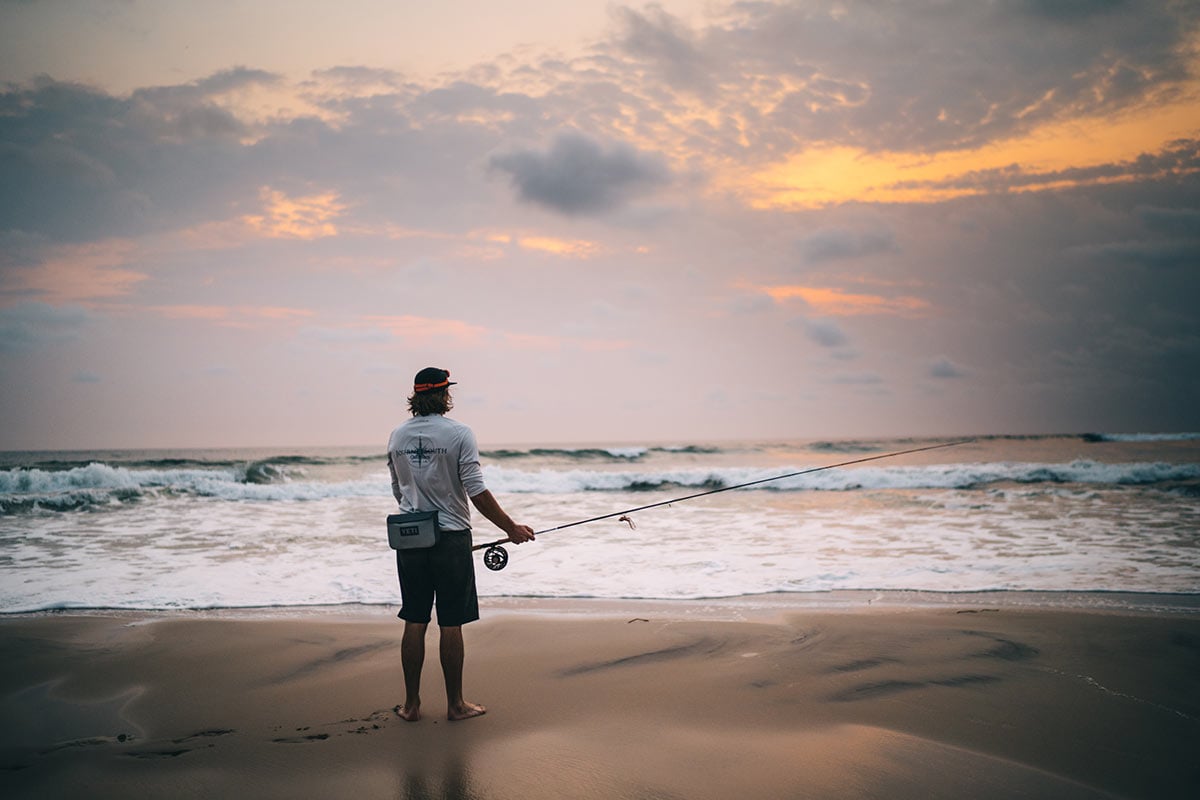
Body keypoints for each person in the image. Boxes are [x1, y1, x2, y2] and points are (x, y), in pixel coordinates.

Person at [386, 367, 535, 722]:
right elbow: (477, 491)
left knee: (415, 618)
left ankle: (411, 705)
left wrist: (417, 512)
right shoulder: (459, 434)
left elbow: (398, 489)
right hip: (451, 536)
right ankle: (455, 705)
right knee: (450, 622)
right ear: (443, 395)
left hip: (410, 535)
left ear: (416, 396)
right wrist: (510, 527)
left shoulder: (397, 436)